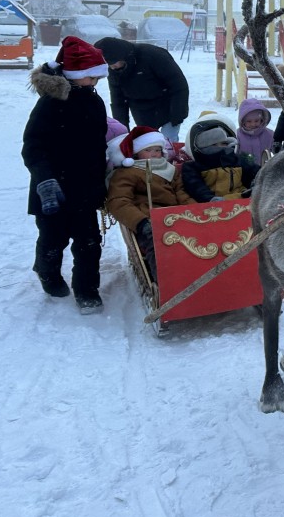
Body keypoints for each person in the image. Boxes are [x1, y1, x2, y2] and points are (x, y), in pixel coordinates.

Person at [22, 36, 111, 314]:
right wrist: (44, 179)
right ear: (75, 75)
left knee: (89, 242)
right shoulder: (50, 104)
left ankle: (87, 290)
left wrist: (102, 178)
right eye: (91, 77)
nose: (95, 82)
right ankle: (48, 273)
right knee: (53, 239)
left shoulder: (94, 102)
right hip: (52, 189)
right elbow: (32, 147)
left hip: (84, 187)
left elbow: (98, 143)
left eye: (98, 77)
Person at [106, 125, 194, 279]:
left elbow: (181, 193)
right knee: (159, 243)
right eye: (148, 150)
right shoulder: (127, 173)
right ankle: (164, 281)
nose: (154, 154)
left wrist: (196, 211)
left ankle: (195, 272)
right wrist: (140, 222)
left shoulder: (169, 170)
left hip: (175, 216)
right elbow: (119, 201)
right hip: (148, 219)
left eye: (158, 150)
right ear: (137, 153)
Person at [94, 36, 190, 144]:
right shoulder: (114, 71)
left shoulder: (153, 55)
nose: (112, 67)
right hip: (141, 111)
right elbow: (118, 100)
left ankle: (170, 158)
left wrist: (177, 114)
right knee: (149, 145)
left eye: (114, 63)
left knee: (168, 143)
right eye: (109, 65)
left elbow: (178, 84)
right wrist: (122, 128)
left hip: (168, 106)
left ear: (123, 56)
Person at [181, 113, 258, 202]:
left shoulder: (236, 159)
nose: (223, 148)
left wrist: (256, 184)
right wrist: (208, 198)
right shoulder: (194, 166)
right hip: (213, 206)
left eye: (225, 143)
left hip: (241, 199)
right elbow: (195, 186)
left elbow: (254, 172)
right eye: (216, 145)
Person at [236, 97, 275, 168]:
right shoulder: (238, 135)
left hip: (265, 172)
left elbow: (275, 153)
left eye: (256, 121)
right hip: (244, 173)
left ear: (262, 119)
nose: (253, 124)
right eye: (249, 121)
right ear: (242, 121)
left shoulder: (269, 135)